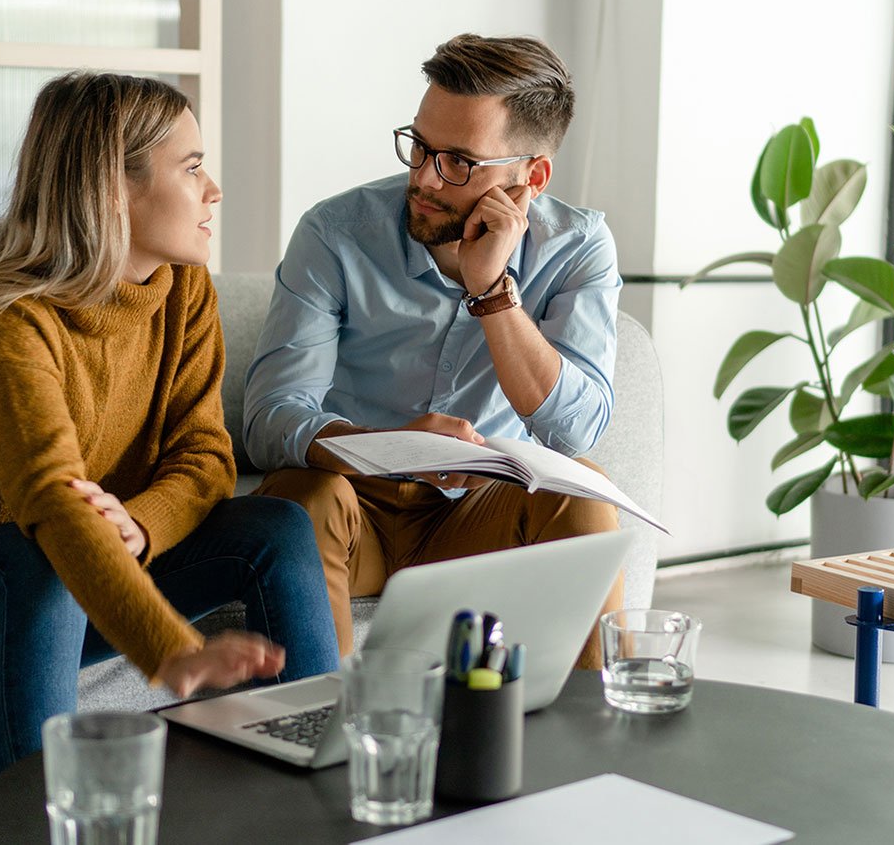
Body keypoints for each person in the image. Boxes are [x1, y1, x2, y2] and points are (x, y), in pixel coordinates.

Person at [0, 71, 338, 779]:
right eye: (192, 167)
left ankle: (320, 793)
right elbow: (52, 501)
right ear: (113, 189)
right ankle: (40, 826)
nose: (214, 190)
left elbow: (206, 454)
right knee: (39, 551)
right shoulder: (8, 322)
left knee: (273, 525)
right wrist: (172, 650)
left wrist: (140, 525)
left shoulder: (183, 291)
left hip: (66, 581)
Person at [244, 34, 622, 666]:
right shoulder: (334, 234)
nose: (421, 177)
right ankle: (319, 730)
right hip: (351, 504)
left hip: (475, 515)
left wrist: (493, 294)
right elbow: (269, 417)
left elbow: (577, 430)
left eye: (457, 162)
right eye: (419, 145)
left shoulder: (578, 247)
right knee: (302, 501)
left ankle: (599, 744)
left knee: (584, 496)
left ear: (530, 178)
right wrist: (386, 450)